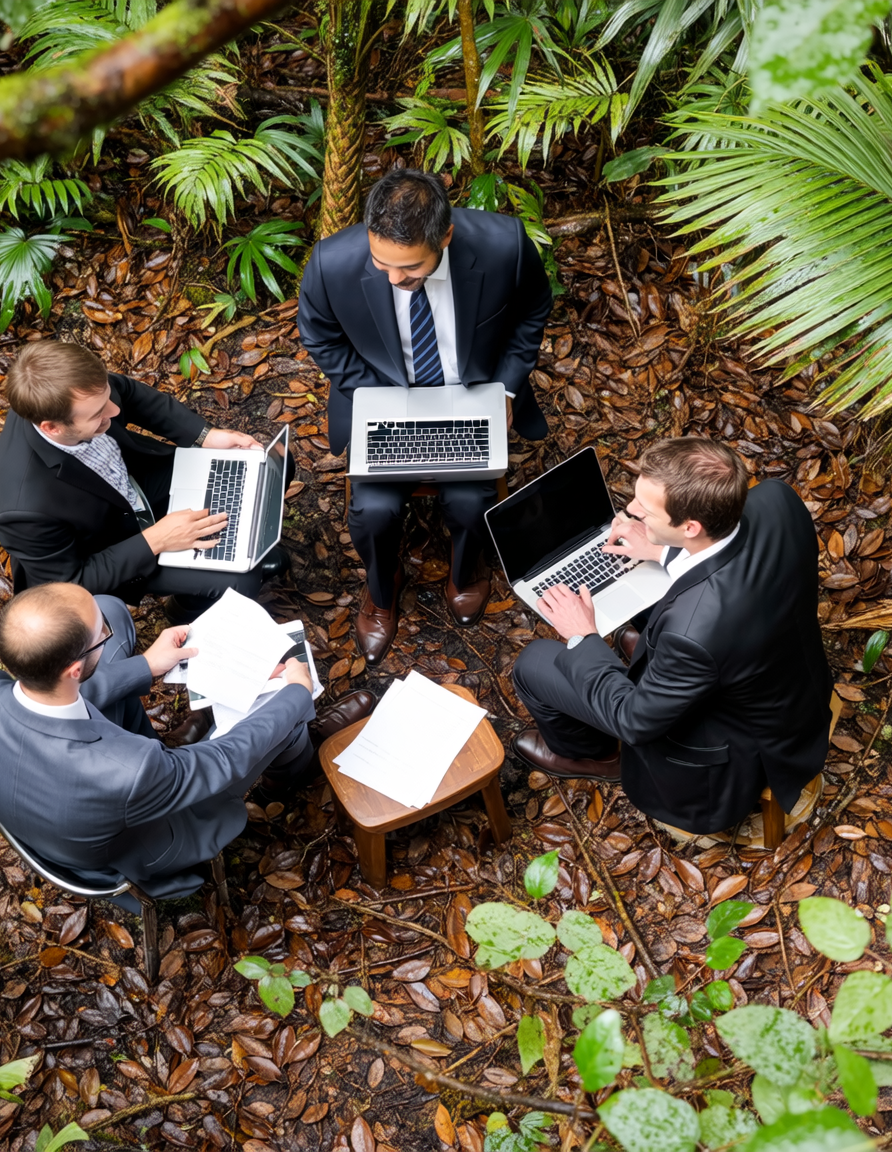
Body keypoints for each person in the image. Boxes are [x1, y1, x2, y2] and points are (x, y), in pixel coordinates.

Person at [0, 583, 376, 900]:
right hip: (144, 844)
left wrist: (148, 665)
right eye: (101, 633)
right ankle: (297, 755)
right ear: (74, 670)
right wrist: (294, 694)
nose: (106, 625)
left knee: (116, 614)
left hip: (50, 806)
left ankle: (284, 731)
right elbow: (219, 762)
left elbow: (48, 700)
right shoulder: (128, 771)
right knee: (272, 724)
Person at [509, 438, 831, 836]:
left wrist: (583, 636)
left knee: (535, 661)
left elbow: (634, 720)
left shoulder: (693, 631)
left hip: (732, 753)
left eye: (644, 513)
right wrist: (662, 551)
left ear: (691, 526)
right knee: (637, 628)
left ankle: (594, 753)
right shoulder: (778, 499)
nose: (629, 513)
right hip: (789, 682)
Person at [298, 168, 552, 663]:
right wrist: (376, 399)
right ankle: (382, 584)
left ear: (446, 236)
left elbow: (532, 311)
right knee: (373, 512)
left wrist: (505, 389)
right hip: (384, 397)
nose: (394, 280)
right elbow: (319, 335)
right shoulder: (332, 262)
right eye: (381, 263)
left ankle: (466, 570)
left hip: (471, 394)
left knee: (471, 499)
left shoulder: (507, 245)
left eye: (410, 268)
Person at [0, 340, 289, 625]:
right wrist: (159, 539)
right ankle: (187, 609)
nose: (114, 412)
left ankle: (242, 546)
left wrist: (206, 436)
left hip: (134, 479)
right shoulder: (22, 508)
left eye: (106, 399)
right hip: (114, 542)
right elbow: (72, 581)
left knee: (266, 464)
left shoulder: (72, 391)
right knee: (241, 581)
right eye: (99, 415)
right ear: (52, 428)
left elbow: (126, 392)